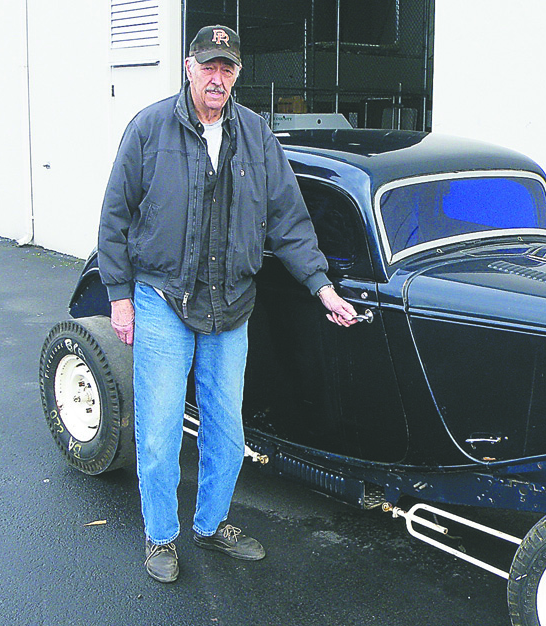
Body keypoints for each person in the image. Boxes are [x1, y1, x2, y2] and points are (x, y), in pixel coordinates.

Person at [97, 25, 357, 583]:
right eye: (208, 66)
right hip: (164, 298)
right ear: (189, 67)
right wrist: (120, 297)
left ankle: (211, 526)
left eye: (228, 68)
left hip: (230, 304)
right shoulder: (149, 128)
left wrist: (322, 285)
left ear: (237, 74)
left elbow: (289, 218)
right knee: (161, 430)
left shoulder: (256, 135)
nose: (217, 78)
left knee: (228, 431)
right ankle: (161, 536)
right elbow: (115, 216)